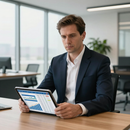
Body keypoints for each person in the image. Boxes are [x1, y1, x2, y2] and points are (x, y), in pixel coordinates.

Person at [19, 14, 113, 119]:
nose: (67, 41)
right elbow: (42, 90)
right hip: (60, 117)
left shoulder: (100, 61)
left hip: (87, 118)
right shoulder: (56, 61)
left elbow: (106, 100)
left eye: (72, 35)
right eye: (63, 37)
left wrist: (79, 108)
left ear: (83, 35)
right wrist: (27, 102)